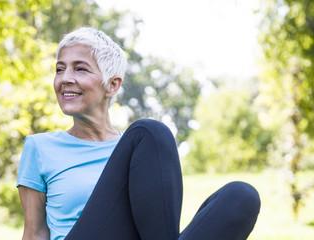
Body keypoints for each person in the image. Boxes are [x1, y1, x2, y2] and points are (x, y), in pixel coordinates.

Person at [17, 27, 261, 240]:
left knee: (241, 196)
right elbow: (35, 233)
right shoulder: (40, 148)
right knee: (150, 132)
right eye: (60, 69)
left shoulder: (143, 156)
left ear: (112, 85)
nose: (65, 79)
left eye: (80, 69)